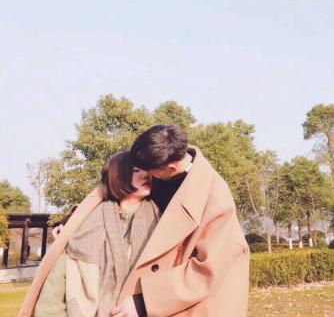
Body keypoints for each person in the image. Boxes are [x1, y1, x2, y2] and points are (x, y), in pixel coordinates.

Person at [114, 125, 250, 317]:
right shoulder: (162, 161)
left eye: (150, 171)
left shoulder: (217, 201)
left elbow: (208, 270)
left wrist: (143, 302)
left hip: (197, 303)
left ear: (171, 168)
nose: (145, 175)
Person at [20, 151, 160, 317]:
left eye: (147, 169)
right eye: (136, 170)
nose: (147, 174)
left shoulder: (163, 220)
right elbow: (53, 294)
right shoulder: (85, 224)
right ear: (118, 177)